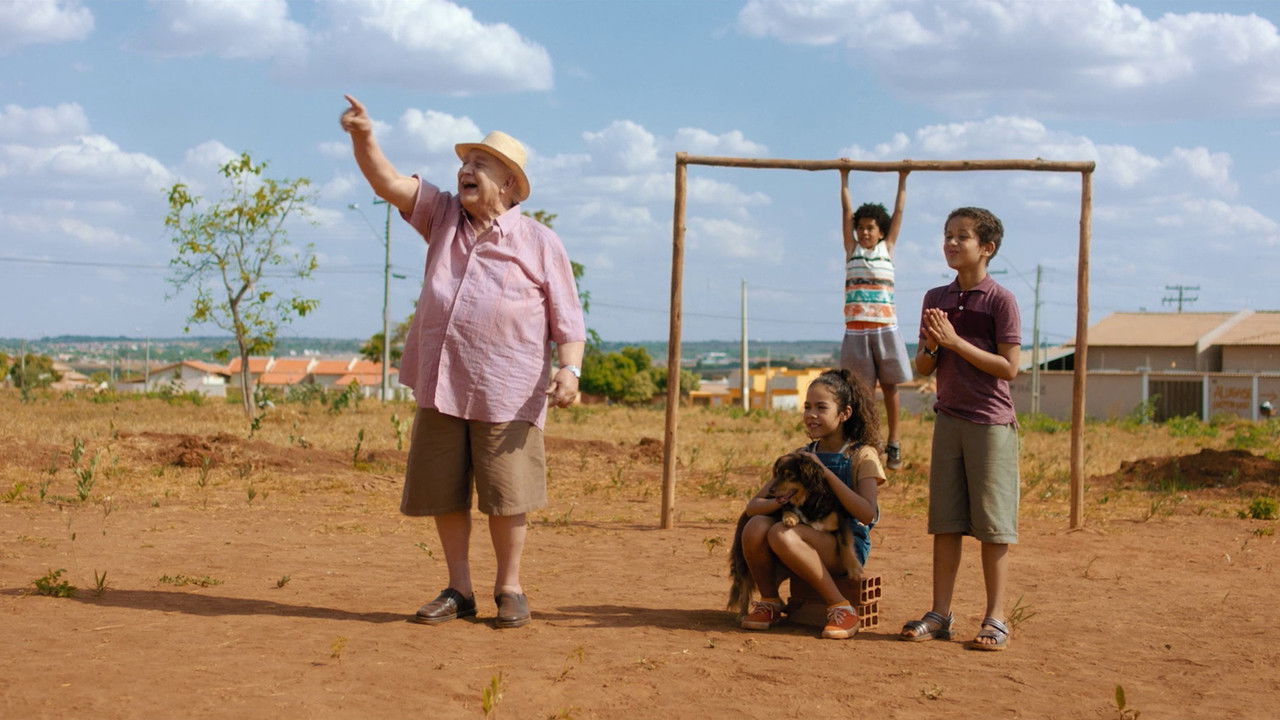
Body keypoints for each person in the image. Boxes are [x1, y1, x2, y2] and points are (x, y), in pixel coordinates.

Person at [339, 95, 585, 629]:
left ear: (510, 185)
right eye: (465, 162)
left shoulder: (541, 242)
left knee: (507, 494)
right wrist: (364, 137)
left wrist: (570, 370)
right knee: (444, 488)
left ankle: (510, 587)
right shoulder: (443, 214)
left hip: (508, 388)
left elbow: (568, 319)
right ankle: (459, 589)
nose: (466, 170)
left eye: (480, 165)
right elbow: (387, 183)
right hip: (442, 381)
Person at [903, 207, 1021, 651]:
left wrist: (956, 342)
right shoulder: (936, 298)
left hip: (990, 424)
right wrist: (936, 346)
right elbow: (923, 366)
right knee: (946, 523)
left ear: (987, 247)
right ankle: (940, 614)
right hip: (948, 419)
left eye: (962, 236)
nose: (951, 243)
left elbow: (1009, 367)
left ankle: (996, 617)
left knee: (994, 526)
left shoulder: (1001, 300)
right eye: (948, 235)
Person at [736, 369, 885, 639]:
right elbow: (754, 506)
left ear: (844, 414)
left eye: (821, 407)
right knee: (756, 526)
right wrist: (782, 499)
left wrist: (824, 473)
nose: (811, 414)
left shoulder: (862, 455)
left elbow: (867, 513)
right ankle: (770, 601)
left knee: (781, 533)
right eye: (807, 407)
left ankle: (842, 608)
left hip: (844, 546)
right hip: (800, 538)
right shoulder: (801, 455)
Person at [839, 170, 913, 470]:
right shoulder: (852, 250)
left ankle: (894, 442)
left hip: (885, 329)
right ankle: (869, 442)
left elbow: (899, 212)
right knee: (863, 393)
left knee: (891, 387)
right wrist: (844, 178)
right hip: (856, 331)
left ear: (881, 231)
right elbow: (846, 211)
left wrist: (903, 178)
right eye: (860, 228)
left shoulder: (887, 249)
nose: (864, 232)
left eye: (870, 228)